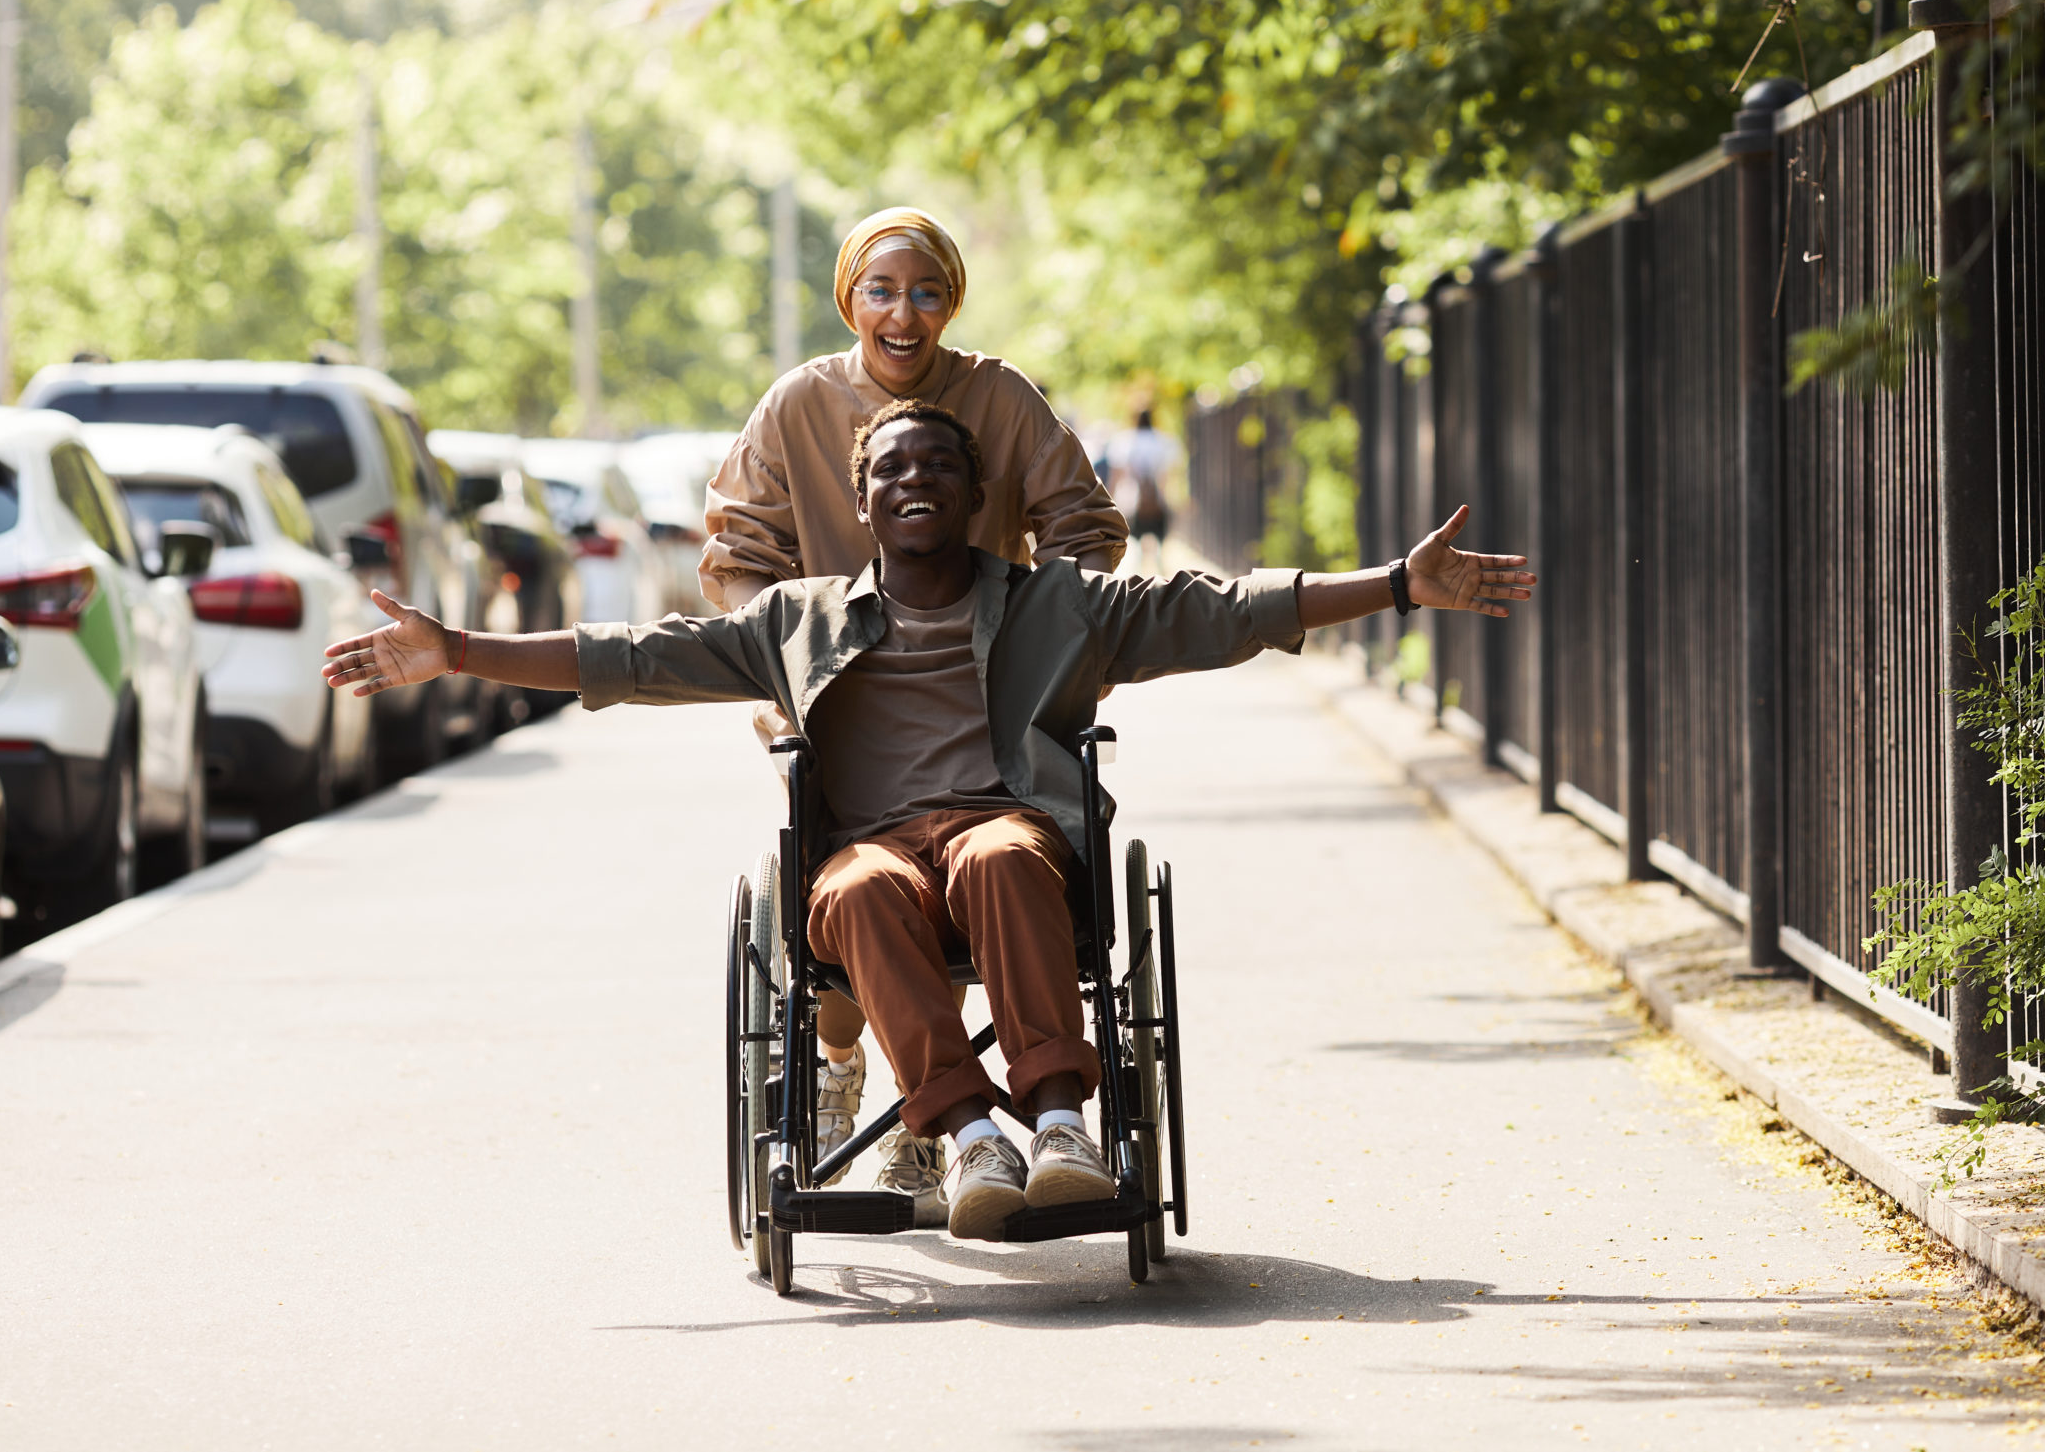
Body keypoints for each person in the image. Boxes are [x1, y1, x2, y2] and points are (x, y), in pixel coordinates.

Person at [322, 400, 1533, 1241]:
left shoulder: (1057, 602)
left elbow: (1216, 609)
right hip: (874, 848)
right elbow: (635, 654)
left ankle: (1059, 1120)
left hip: (1009, 825)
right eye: (890, 471)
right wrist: (459, 651)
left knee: (1004, 852)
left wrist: (1391, 585)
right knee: (843, 895)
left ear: (975, 498)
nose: (913, 484)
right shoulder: (795, 617)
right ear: (860, 497)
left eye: (938, 471)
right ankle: (966, 1138)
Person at [700, 205, 1128, 1219]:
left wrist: (1039, 635)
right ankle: (854, 1066)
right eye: (882, 290)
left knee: (994, 859)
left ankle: (1015, 1122)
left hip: (981, 699)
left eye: (926, 290)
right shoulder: (799, 403)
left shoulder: (998, 398)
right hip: (836, 698)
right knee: (852, 878)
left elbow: (1085, 526)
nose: (904, 312)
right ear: (850, 297)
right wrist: (800, 646)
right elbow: (735, 554)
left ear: (953, 302)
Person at [1103, 408, 1181, 575]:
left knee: (1134, 548)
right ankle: (1163, 583)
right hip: (1158, 501)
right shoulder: (1163, 441)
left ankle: (1137, 585)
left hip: (1131, 502)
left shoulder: (1125, 441)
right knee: (1160, 548)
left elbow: (1116, 475)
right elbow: (1168, 475)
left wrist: (1109, 500)